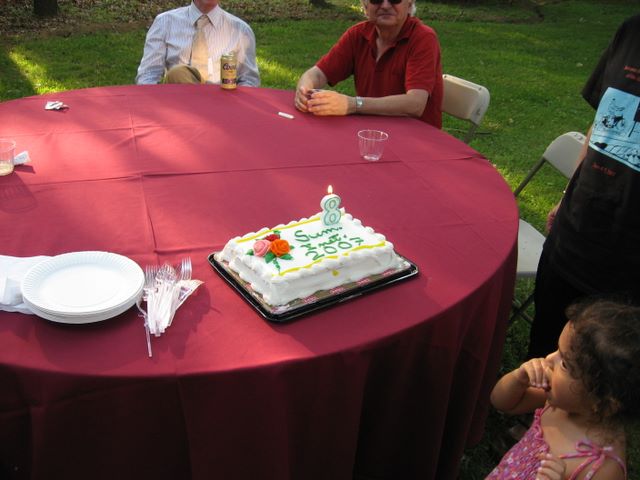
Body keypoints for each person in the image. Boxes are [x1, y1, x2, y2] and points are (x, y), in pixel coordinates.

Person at [527, 14, 640, 358]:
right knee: (543, 351)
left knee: (599, 373)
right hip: (575, 233)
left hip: (629, 269)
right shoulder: (632, 31)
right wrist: (567, 197)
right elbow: (602, 121)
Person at [488, 299, 640, 480]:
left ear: (604, 403)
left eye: (565, 364)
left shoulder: (604, 468)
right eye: (557, 351)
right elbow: (502, 403)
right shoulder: (560, 400)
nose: (549, 359)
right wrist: (519, 378)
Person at [294, 0, 443, 128]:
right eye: (376, 0)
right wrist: (304, 90)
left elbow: (415, 104)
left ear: (409, 4)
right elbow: (318, 73)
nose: (385, 5)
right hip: (370, 131)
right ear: (365, 6)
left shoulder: (423, 39)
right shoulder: (358, 34)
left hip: (415, 136)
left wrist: (352, 104)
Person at [135, 0, 260, 86]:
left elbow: (249, 81)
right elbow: (148, 75)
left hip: (223, 105)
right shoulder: (164, 22)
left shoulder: (241, 30)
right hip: (178, 103)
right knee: (178, 73)